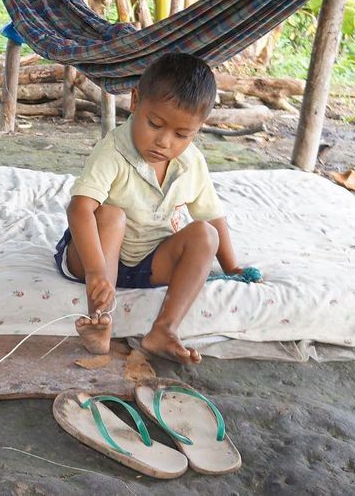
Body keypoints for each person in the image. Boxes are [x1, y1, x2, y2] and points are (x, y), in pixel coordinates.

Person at [54, 53, 247, 364]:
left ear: (198, 129)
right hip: (94, 257)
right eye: (155, 124)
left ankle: (164, 330)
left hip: (150, 262)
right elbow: (79, 209)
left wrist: (233, 268)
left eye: (182, 134)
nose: (164, 141)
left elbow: (210, 214)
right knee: (112, 215)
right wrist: (96, 272)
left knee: (205, 235)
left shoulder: (191, 162)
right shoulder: (112, 151)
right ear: (135, 101)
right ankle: (100, 322)